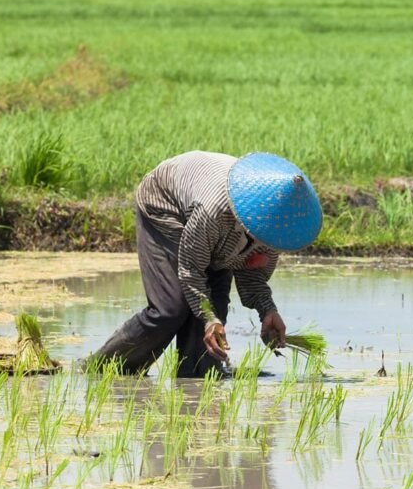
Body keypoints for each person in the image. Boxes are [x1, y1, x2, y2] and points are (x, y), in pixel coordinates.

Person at [87, 150, 322, 377]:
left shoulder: (276, 226)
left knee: (210, 338)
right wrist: (209, 318)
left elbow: (252, 274)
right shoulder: (214, 212)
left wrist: (267, 310)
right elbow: (191, 271)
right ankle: (104, 368)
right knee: (171, 309)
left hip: (211, 227)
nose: (268, 247)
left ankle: (194, 378)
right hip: (166, 205)